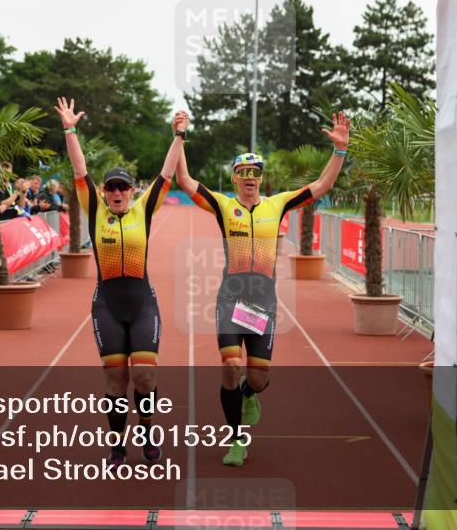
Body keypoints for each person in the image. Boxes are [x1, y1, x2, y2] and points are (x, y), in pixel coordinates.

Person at [174, 110, 350, 467]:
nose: (250, 178)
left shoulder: (278, 204)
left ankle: (248, 393)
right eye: (243, 173)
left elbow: (320, 187)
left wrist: (340, 152)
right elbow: (185, 181)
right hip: (230, 301)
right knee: (229, 365)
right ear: (235, 178)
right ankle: (237, 439)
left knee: (257, 376)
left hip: (263, 305)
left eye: (256, 172)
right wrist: (179, 136)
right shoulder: (224, 206)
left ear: (261, 177)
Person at [55, 97, 187, 466]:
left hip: (142, 303)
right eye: (111, 187)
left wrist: (178, 136)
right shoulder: (95, 209)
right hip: (107, 306)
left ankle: (146, 434)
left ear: (131, 191)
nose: (115, 192)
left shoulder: (144, 210)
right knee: (115, 382)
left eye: (122, 188)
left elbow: (166, 174)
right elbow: (80, 170)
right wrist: (70, 129)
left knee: (144, 377)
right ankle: (117, 446)